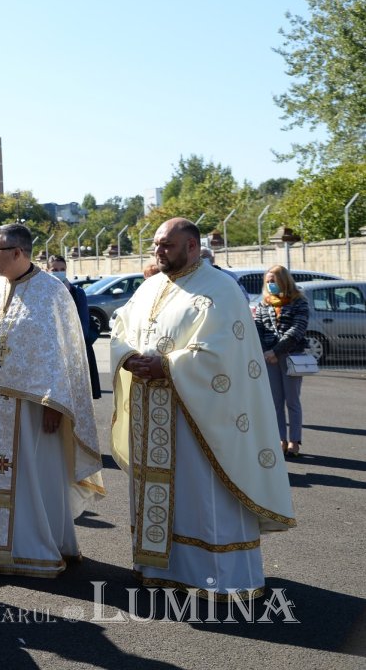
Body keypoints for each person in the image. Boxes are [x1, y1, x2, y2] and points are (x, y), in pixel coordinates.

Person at [111, 218, 296, 600]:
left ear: (192, 247)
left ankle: (218, 576)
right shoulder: (149, 287)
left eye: (167, 245)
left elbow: (223, 354)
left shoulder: (221, 289)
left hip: (200, 417)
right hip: (153, 411)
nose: (159, 251)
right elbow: (120, 328)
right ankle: (158, 567)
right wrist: (128, 358)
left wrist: (168, 365)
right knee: (162, 491)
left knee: (204, 494)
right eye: (157, 244)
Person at [0, 223, 105, 578]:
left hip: (34, 409)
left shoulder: (53, 293)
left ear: (18, 252)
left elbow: (65, 356)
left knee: (34, 477)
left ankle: (36, 548)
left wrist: (57, 405)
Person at [254, 265, 310, 458]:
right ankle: (280, 438)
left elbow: (297, 329)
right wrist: (266, 352)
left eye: (273, 281)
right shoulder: (264, 304)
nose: (270, 285)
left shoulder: (299, 302)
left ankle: (295, 440)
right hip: (269, 357)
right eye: (267, 282)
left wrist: (276, 351)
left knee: (292, 400)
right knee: (275, 401)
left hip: (291, 355)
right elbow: (258, 328)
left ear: (284, 281)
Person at [47, 255, 101, 400]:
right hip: (51, 352)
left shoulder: (77, 292)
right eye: (55, 269)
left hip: (75, 350)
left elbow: (83, 324)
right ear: (47, 270)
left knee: (76, 397)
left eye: (62, 269)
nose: (59, 272)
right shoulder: (43, 292)